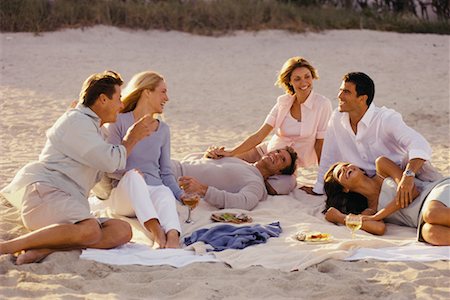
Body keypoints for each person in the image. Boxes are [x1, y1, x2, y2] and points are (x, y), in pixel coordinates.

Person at [0, 71, 156, 264]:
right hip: (45, 197)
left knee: (122, 230)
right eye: (119, 99)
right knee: (90, 230)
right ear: (103, 99)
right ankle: (7, 247)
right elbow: (109, 161)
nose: (122, 106)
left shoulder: (95, 130)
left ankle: (46, 247)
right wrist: (132, 138)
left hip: (70, 206)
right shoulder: (76, 121)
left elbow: (103, 184)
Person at [303, 72, 441, 206]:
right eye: (340, 90)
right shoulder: (337, 118)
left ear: (362, 98)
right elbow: (329, 154)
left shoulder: (386, 119)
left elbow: (420, 143)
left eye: (346, 92)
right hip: (367, 188)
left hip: (401, 178)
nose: (339, 96)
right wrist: (319, 188)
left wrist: (408, 176)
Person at [206, 56, 332, 195]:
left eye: (307, 76)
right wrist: (232, 152)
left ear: (313, 77)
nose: (304, 82)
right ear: (289, 82)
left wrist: (321, 184)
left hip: (285, 166)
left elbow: (320, 145)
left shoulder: (322, 104)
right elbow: (260, 134)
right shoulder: (283, 102)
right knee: (223, 162)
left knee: (279, 188)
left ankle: (248, 176)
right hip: (266, 152)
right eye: (297, 79)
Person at [103, 71, 183, 249]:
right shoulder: (118, 122)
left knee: (164, 192)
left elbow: (165, 172)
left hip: (153, 190)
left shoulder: (163, 130)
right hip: (124, 196)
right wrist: (128, 172)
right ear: (147, 92)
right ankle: (157, 233)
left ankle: (172, 237)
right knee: (133, 176)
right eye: (163, 92)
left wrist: (181, 195)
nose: (167, 98)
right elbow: (108, 165)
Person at [322, 156, 449, 246]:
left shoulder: (382, 167)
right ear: (345, 189)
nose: (345, 169)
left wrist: (379, 215)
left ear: (360, 169)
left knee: (431, 214)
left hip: (435, 193)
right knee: (430, 233)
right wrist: (340, 217)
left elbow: (412, 192)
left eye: (346, 165)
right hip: (422, 218)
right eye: (340, 173)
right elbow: (379, 228)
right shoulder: (370, 209)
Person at [174, 146, 298, 211]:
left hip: (175, 180)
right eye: (277, 151)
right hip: (174, 165)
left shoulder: (256, 184)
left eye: (282, 159)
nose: (276, 155)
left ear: (278, 173)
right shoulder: (239, 161)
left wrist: (202, 190)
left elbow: (242, 202)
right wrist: (207, 156)